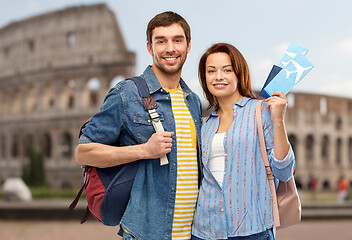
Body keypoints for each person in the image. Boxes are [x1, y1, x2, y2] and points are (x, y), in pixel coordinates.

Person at [75, 11, 202, 240]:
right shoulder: (126, 94)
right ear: (149, 48)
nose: (170, 48)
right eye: (161, 41)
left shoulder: (192, 101)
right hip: (147, 233)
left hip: (193, 233)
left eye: (177, 40)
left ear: (188, 46)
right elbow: (83, 153)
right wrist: (144, 150)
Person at [191, 43, 295, 240]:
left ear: (239, 73)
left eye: (227, 70)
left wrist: (278, 121)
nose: (218, 76)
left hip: (252, 229)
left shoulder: (261, 111)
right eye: (211, 71)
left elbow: (284, 171)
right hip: (205, 230)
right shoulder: (204, 124)